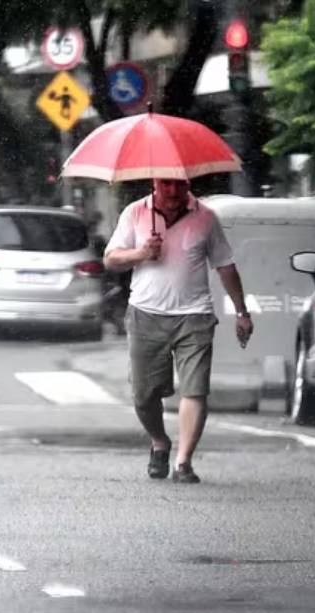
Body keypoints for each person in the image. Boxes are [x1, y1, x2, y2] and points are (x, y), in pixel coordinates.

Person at [103, 178, 254, 483]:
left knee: (195, 389)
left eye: (179, 185)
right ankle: (160, 441)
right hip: (146, 315)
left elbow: (225, 265)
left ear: (187, 185)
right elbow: (111, 259)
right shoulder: (135, 213)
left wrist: (241, 312)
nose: (172, 191)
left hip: (195, 316)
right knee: (144, 396)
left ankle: (183, 462)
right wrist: (140, 253)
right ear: (154, 184)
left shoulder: (206, 217)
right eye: (166, 185)